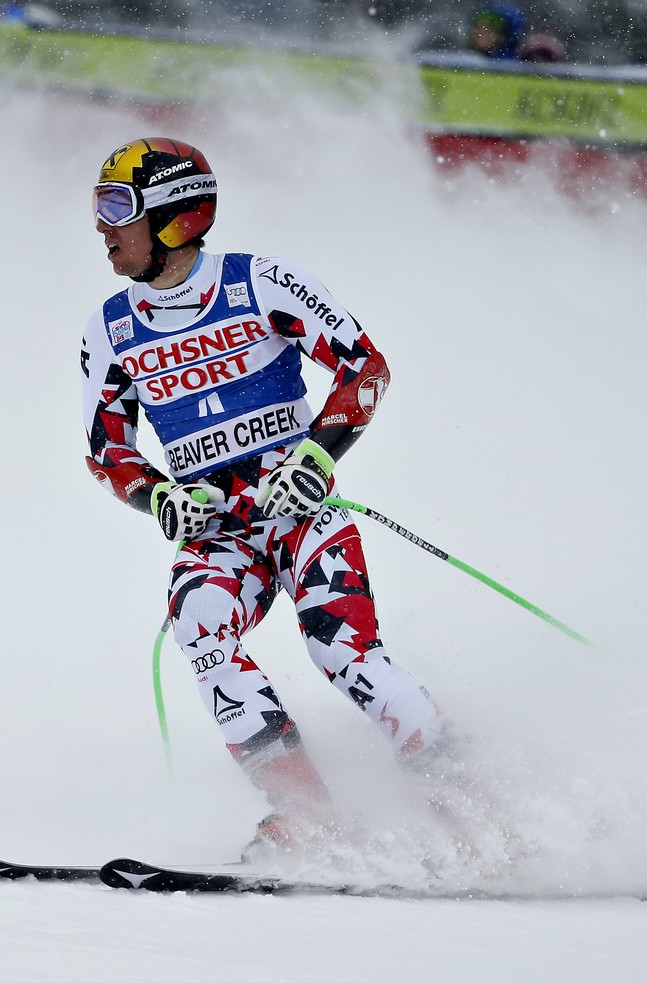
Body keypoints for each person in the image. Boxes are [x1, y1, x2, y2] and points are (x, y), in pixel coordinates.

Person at [80, 138, 455, 856]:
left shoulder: (263, 282)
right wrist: (156, 497)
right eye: (100, 208)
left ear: (174, 217)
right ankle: (304, 816)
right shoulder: (112, 327)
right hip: (218, 532)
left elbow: (366, 369)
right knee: (199, 623)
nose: (102, 228)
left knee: (341, 650)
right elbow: (108, 449)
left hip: (298, 515)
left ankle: (466, 791)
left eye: (116, 207)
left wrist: (316, 456)